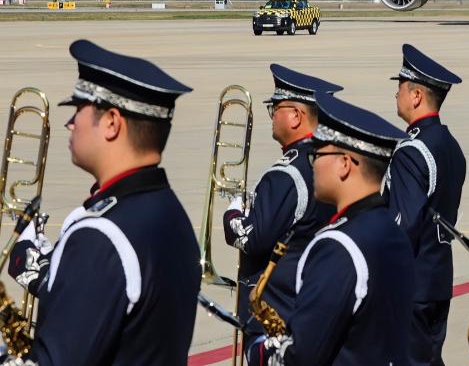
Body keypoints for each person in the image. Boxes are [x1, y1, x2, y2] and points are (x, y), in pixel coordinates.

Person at [7, 39, 199, 365]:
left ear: (111, 122)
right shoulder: (169, 211)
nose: (71, 123)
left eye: (78, 109)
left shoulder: (100, 235)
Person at [249, 91, 414, 365]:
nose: (313, 163)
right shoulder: (392, 232)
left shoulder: (338, 247)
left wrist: (258, 350)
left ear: (344, 164)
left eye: (318, 154)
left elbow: (301, 356)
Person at [222, 64, 340, 351]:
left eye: (276, 108)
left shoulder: (284, 176)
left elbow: (253, 238)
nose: (272, 115)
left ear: (296, 116)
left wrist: (233, 213)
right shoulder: (328, 161)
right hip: (312, 303)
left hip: (277, 314)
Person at [386, 44, 466, 366]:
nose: (396, 94)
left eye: (401, 87)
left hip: (411, 287)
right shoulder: (451, 146)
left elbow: (403, 227)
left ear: (416, 96)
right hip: (437, 279)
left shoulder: (411, 150)